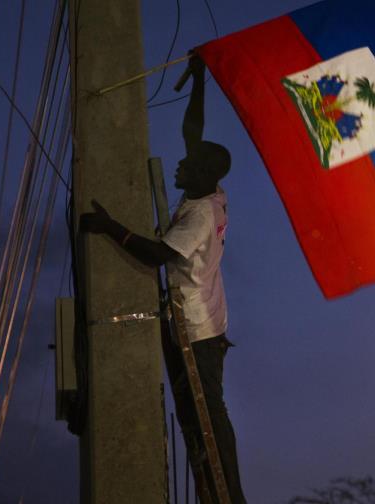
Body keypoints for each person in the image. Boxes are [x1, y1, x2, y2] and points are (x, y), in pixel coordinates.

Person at [80, 53, 246, 503]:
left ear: (205, 175)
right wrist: (199, 79)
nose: (180, 166)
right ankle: (213, 483)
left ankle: (231, 494)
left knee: (208, 413)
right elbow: (192, 131)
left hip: (199, 329)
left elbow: (155, 255)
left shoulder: (198, 215)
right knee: (194, 414)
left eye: (188, 166)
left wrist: (110, 226)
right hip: (197, 317)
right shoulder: (208, 188)